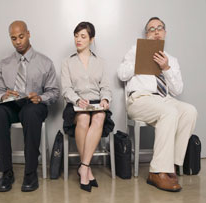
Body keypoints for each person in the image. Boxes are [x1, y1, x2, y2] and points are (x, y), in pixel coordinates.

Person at [117, 17, 197, 192]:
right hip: (140, 99)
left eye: (159, 28)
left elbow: (177, 90)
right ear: (147, 34)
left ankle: (172, 166)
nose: (156, 31)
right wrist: (139, 61)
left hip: (164, 99)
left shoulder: (172, 60)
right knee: (169, 112)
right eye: (151, 29)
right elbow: (121, 74)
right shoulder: (135, 50)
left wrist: (166, 68)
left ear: (165, 33)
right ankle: (157, 171)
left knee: (189, 111)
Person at [0, 21, 59, 192]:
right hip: (13, 105)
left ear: (28, 34)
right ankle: (6, 173)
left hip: (35, 105)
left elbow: (54, 92)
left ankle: (30, 173)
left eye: (21, 36)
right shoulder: (4, 64)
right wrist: (3, 96)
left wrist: (40, 97)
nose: (18, 41)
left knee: (31, 113)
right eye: (14, 38)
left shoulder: (45, 62)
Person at [61, 22, 114, 192]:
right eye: (76, 36)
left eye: (83, 36)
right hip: (76, 104)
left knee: (99, 117)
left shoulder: (101, 62)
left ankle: (83, 166)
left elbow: (106, 86)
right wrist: (77, 100)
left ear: (91, 39)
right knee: (83, 118)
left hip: (96, 103)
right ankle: (87, 168)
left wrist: (105, 99)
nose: (78, 39)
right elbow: (66, 89)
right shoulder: (67, 62)